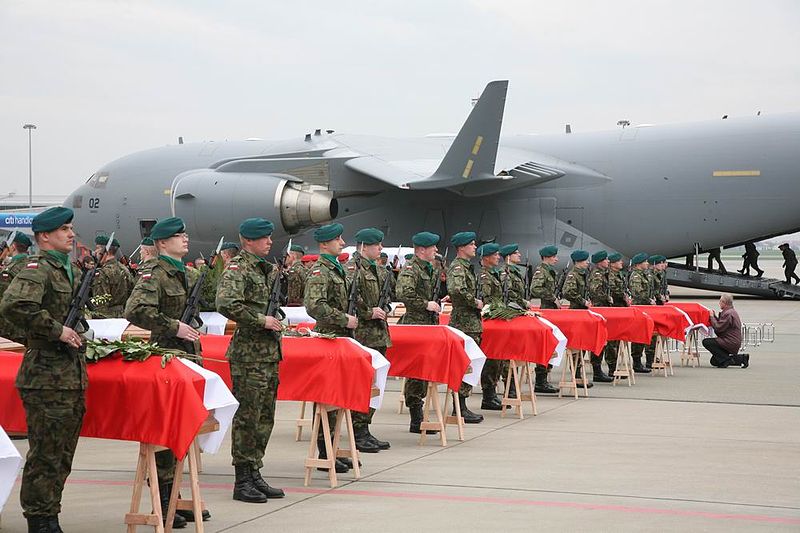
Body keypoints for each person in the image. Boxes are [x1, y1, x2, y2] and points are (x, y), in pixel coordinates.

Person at [0, 207, 87, 533]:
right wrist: (56, 330)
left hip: (69, 374)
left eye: (71, 228)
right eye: (64, 229)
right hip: (45, 375)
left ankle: (51, 513)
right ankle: (39, 519)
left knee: (62, 454)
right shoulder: (37, 269)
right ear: (44, 236)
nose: (71, 234)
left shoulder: (68, 270)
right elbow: (13, 305)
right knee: (46, 454)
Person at [124, 217, 208, 528]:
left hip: (187, 357)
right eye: (177, 236)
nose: (185, 239)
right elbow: (135, 310)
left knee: (183, 432)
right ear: (161, 243)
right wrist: (174, 326)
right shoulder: (154, 272)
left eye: (184, 234)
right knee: (166, 432)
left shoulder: (186, 273)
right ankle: (162, 499)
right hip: (167, 358)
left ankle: (174, 496)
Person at [215, 218, 285, 504]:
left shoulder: (264, 269)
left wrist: (275, 318)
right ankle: (242, 478)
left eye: (269, 238)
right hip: (249, 355)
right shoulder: (238, 268)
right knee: (248, 417)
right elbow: (225, 303)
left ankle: (255, 471)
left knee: (264, 416)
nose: (269, 242)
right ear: (247, 241)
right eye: (264, 238)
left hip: (267, 353)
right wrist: (261, 320)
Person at [303, 223, 358, 474]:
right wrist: (343, 319)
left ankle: (331, 448)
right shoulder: (320, 271)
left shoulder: (337, 269)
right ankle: (325, 451)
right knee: (328, 397)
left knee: (339, 398)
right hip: (329, 336)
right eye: (337, 240)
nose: (342, 243)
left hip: (341, 338)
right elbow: (314, 306)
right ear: (324, 244)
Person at [346, 228, 392, 452]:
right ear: (364, 246)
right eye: (376, 245)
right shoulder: (352, 270)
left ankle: (365, 427)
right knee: (363, 384)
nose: (380, 248)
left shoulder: (380, 271)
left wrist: (384, 309)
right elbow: (350, 299)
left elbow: (387, 298)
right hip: (362, 334)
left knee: (375, 385)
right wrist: (368, 312)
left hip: (379, 334)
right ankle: (357, 430)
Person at [396, 231, 442, 433]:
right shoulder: (411, 269)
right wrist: (426, 305)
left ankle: (419, 415)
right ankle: (416, 417)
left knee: (424, 370)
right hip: (416, 324)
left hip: (427, 324)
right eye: (433, 247)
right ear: (422, 249)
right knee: (416, 371)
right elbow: (403, 293)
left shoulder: (428, 268)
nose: (436, 250)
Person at [445, 231, 485, 423]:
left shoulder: (466, 267)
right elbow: (456, 290)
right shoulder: (458, 268)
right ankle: (459, 407)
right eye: (471, 244)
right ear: (461, 248)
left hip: (471, 322)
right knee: (464, 364)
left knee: (469, 364)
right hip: (464, 323)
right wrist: (474, 302)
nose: (475, 247)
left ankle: (462, 405)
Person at [474, 243, 506, 410]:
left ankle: (492, 393)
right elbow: (486, 299)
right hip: (489, 321)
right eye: (495, 255)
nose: (498, 257)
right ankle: (488, 395)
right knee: (491, 358)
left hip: (496, 319)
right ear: (486, 258)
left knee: (497, 358)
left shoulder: (493, 275)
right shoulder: (485, 277)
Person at [527, 245, 561, 393]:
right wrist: (552, 298)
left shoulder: (549, 271)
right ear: (547, 257)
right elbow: (535, 289)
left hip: (551, 311)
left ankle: (544, 378)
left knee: (552, 344)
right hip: (547, 310)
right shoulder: (542, 271)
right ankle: (541, 381)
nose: (556, 259)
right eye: (554, 256)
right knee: (547, 344)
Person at [586, 251, 615, 383]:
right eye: (606, 260)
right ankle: (597, 371)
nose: (608, 261)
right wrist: (607, 297)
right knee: (599, 340)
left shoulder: (603, 273)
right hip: (599, 309)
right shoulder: (597, 274)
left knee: (603, 341)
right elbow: (595, 291)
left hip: (603, 309)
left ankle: (599, 371)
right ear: (600, 262)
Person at [0, 232, 33, 343]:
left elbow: (3, 300)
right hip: (31, 325)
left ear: (13, 246)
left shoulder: (9, 270)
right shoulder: (34, 265)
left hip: (11, 329)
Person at [93, 235, 134, 318]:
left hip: (107, 318)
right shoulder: (124, 269)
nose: (95, 252)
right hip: (123, 316)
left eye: (97, 248)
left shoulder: (103, 273)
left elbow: (101, 303)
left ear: (105, 251)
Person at [703, 293, 748, 368]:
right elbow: (721, 324)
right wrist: (714, 316)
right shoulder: (730, 311)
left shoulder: (728, 313)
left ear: (724, 302)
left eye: (720, 301)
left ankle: (727, 360)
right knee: (714, 361)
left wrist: (711, 317)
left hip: (730, 342)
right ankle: (742, 358)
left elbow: (718, 327)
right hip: (731, 341)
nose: (719, 303)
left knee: (706, 342)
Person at [628, 252, 653, 373]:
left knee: (642, 335)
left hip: (644, 308)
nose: (647, 264)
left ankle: (639, 361)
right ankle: (636, 362)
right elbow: (637, 292)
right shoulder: (636, 276)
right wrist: (649, 299)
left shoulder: (643, 275)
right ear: (639, 264)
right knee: (638, 336)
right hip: (639, 308)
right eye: (645, 262)